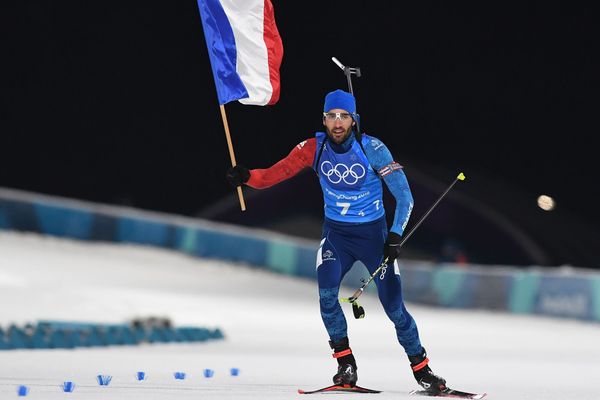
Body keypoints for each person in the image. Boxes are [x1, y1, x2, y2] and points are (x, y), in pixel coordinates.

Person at [226, 89, 447, 393]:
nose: (338, 122)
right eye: (332, 116)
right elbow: (273, 175)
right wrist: (247, 176)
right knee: (327, 296)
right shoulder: (312, 148)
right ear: (324, 120)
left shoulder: (374, 149)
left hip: (374, 239)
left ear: (354, 120)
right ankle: (346, 365)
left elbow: (405, 197)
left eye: (343, 116)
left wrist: (395, 236)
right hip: (337, 238)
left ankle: (422, 370)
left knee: (394, 307)